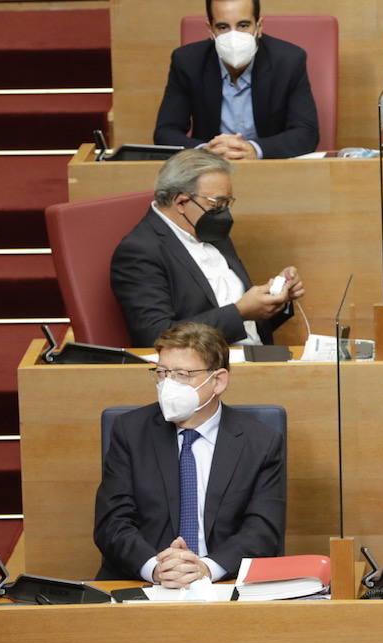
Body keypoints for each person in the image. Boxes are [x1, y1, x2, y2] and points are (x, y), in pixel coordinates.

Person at [94, 322, 286, 586]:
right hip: (144, 581)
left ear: (218, 380)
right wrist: (155, 569)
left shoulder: (260, 442)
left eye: (182, 375)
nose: (169, 385)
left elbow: (263, 530)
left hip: (224, 582)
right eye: (162, 373)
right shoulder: (130, 431)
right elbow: (112, 523)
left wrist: (206, 569)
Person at [111, 148, 305, 348]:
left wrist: (276, 299)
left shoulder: (211, 231)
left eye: (227, 203)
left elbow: (246, 321)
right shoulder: (140, 251)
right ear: (181, 202)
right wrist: (239, 312)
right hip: (205, 370)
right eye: (218, 204)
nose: (224, 213)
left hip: (259, 357)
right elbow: (157, 337)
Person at [154, 0, 319, 159]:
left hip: (269, 169)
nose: (233, 36)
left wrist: (255, 150)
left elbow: (306, 133)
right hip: (208, 172)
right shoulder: (187, 61)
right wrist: (204, 152)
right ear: (210, 30)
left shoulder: (288, 60)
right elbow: (165, 132)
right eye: (223, 27)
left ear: (259, 27)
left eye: (243, 25)